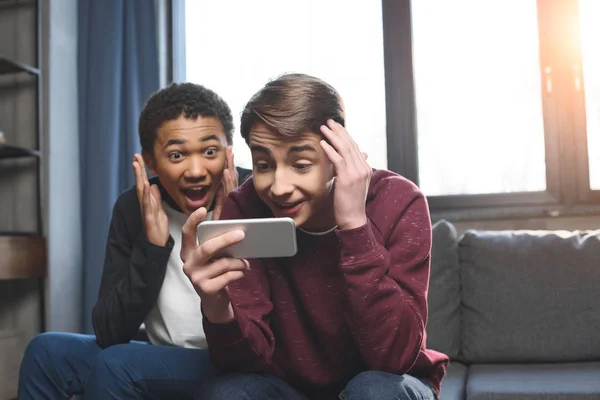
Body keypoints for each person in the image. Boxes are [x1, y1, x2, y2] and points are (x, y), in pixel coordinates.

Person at [180, 73, 449, 400]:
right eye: (264, 164)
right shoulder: (246, 206)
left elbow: (394, 358)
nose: (278, 187)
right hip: (291, 387)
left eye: (301, 164)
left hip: (391, 382)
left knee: (374, 391)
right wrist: (217, 307)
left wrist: (354, 226)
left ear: (338, 155)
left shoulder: (400, 201)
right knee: (225, 392)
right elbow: (244, 364)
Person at [17, 83, 251, 400]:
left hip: (236, 360)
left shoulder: (256, 195)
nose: (196, 170)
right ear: (151, 162)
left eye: (210, 151)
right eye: (177, 154)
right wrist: (152, 247)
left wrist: (233, 218)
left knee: (119, 363)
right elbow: (110, 330)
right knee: (46, 351)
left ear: (228, 151)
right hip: (162, 356)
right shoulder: (134, 208)